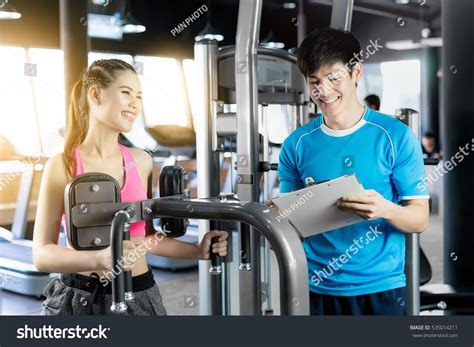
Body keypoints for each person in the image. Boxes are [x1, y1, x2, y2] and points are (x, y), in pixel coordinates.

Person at [32, 59, 228, 315]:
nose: (135, 104)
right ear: (95, 94)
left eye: (139, 96)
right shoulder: (63, 165)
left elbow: (144, 239)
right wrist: (100, 259)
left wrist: (196, 251)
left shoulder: (141, 161)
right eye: (126, 93)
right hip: (78, 297)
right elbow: (42, 254)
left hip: (138, 294)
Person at [278, 28, 429, 315]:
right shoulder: (296, 145)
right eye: (315, 82)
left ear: (356, 72)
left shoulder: (395, 136)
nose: (323, 91)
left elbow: (419, 219)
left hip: (381, 288)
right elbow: (288, 218)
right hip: (316, 286)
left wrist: (386, 209)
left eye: (334, 78)